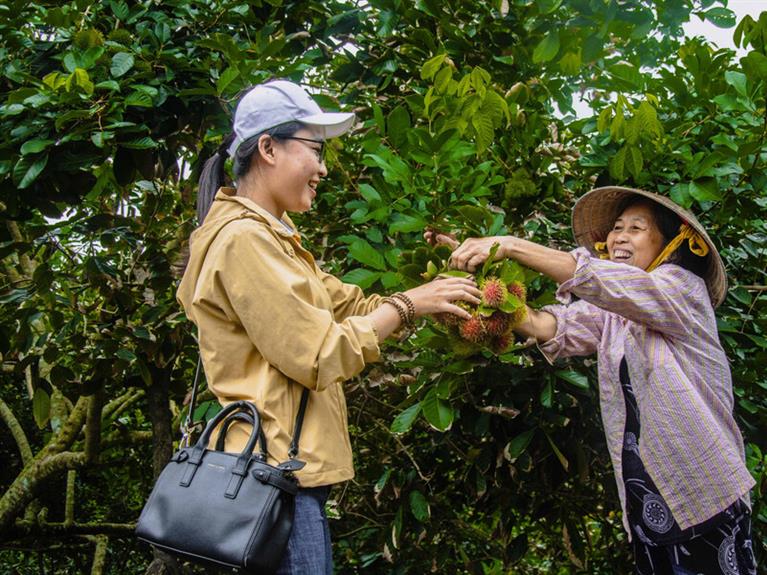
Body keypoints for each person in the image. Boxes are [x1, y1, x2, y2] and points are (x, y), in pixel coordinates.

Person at [176, 79, 481, 574]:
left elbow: (352, 306)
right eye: (315, 151)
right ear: (269, 148)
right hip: (271, 481)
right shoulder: (244, 241)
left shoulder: (274, 239)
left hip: (276, 479)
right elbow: (317, 354)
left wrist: (435, 288)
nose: (322, 169)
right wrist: (409, 304)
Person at [435, 186, 757, 574]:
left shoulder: (680, 289)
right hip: (647, 497)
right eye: (617, 227)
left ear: (673, 244)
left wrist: (510, 245)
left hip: (700, 488)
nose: (619, 236)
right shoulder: (616, 315)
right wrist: (479, 281)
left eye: (636, 228)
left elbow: (599, 280)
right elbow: (549, 325)